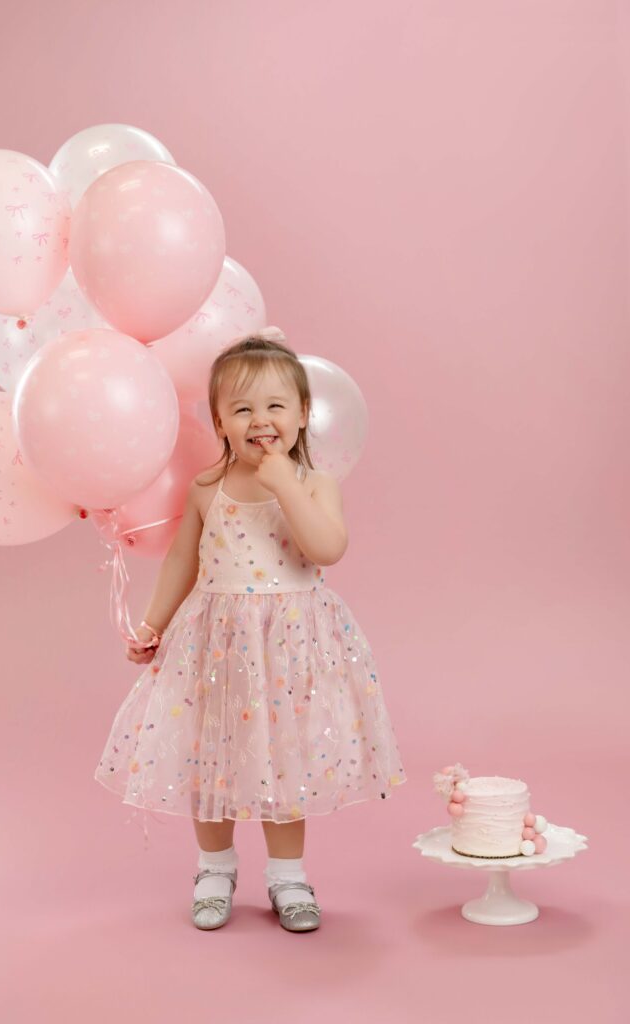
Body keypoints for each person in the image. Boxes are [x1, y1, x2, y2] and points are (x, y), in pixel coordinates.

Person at [94, 327, 406, 932]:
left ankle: (288, 877)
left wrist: (285, 482)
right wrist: (153, 621)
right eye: (241, 408)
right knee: (211, 759)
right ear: (219, 421)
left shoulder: (316, 484)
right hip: (218, 643)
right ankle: (215, 868)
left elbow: (327, 548)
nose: (259, 420)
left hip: (290, 645)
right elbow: (184, 560)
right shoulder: (208, 488)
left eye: (274, 406)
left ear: (303, 415)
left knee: (284, 759)